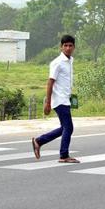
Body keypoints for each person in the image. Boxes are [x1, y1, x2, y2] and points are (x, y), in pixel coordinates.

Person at [31, 35, 80, 163]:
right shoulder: (57, 63)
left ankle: (39, 141)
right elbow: (50, 82)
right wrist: (48, 102)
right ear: (61, 47)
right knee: (68, 127)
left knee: (65, 128)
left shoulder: (70, 60)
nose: (68, 48)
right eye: (65, 46)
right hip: (59, 100)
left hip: (66, 99)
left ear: (74, 47)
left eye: (70, 45)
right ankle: (64, 155)